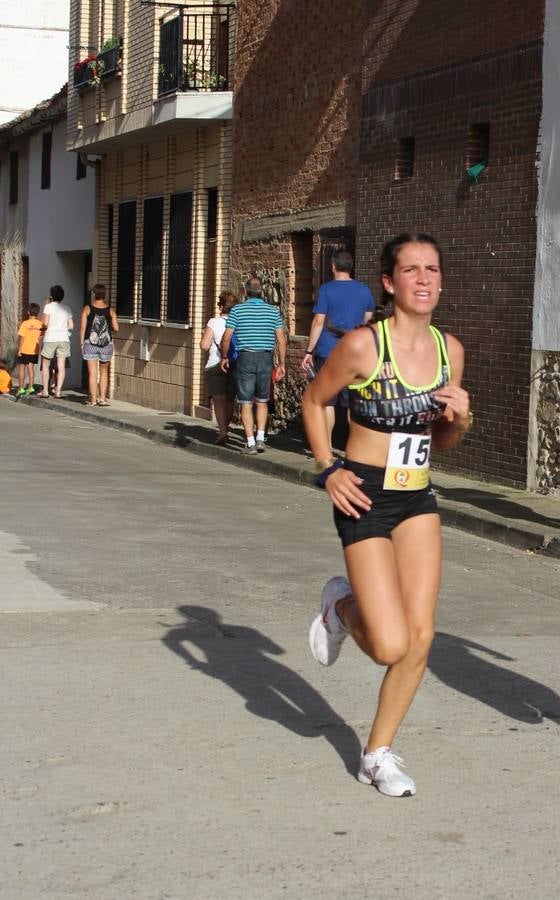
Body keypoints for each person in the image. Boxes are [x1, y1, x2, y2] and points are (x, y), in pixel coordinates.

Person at [301, 232, 471, 797]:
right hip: (365, 494)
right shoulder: (362, 347)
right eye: (412, 270)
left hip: (417, 494)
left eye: (433, 268)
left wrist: (461, 420)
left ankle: (378, 753)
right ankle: (339, 603)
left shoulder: (451, 350)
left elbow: (443, 441)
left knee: (421, 638)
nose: (424, 279)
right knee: (389, 645)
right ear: (390, 282)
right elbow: (314, 400)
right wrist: (328, 468)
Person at [300, 249, 375, 443]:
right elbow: (368, 320)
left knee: (327, 401)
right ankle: (356, 448)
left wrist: (309, 351)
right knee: (353, 402)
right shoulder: (364, 290)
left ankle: (327, 445)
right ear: (351, 267)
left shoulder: (326, 290)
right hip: (355, 354)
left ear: (333, 266)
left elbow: (318, 321)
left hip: (328, 351)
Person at [220, 277, 287, 454]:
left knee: (246, 402)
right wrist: (281, 363)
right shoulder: (273, 312)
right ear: (261, 291)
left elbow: (227, 337)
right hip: (265, 358)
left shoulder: (237, 311)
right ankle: (260, 439)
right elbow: (281, 340)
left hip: (245, 358)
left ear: (246, 291)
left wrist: (225, 356)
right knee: (263, 401)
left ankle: (250, 442)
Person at [200, 291, 239, 444]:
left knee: (218, 398)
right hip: (234, 364)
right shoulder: (239, 322)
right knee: (229, 399)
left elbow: (204, 345)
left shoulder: (213, 322)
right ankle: (226, 428)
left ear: (221, 306)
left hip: (215, 364)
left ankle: (222, 432)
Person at [79, 283, 120, 406]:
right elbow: (117, 328)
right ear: (105, 295)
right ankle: (102, 398)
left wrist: (81, 343)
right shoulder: (110, 310)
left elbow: (82, 327)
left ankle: (93, 400)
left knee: (92, 373)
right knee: (104, 372)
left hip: (90, 343)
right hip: (106, 345)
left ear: (94, 294)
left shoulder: (87, 309)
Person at [39, 285, 73, 398]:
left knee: (45, 364)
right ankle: (58, 391)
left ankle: (45, 390)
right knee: (61, 365)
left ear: (51, 295)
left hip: (50, 338)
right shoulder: (67, 308)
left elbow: (45, 323)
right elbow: (71, 326)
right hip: (63, 338)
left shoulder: (48, 307)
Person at [16, 303, 44, 397]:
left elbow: (22, 338)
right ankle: (30, 387)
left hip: (24, 349)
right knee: (31, 369)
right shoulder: (40, 324)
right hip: (34, 351)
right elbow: (41, 336)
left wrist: (19, 349)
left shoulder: (25, 323)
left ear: (28, 312)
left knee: (22, 369)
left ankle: (20, 389)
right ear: (37, 313)